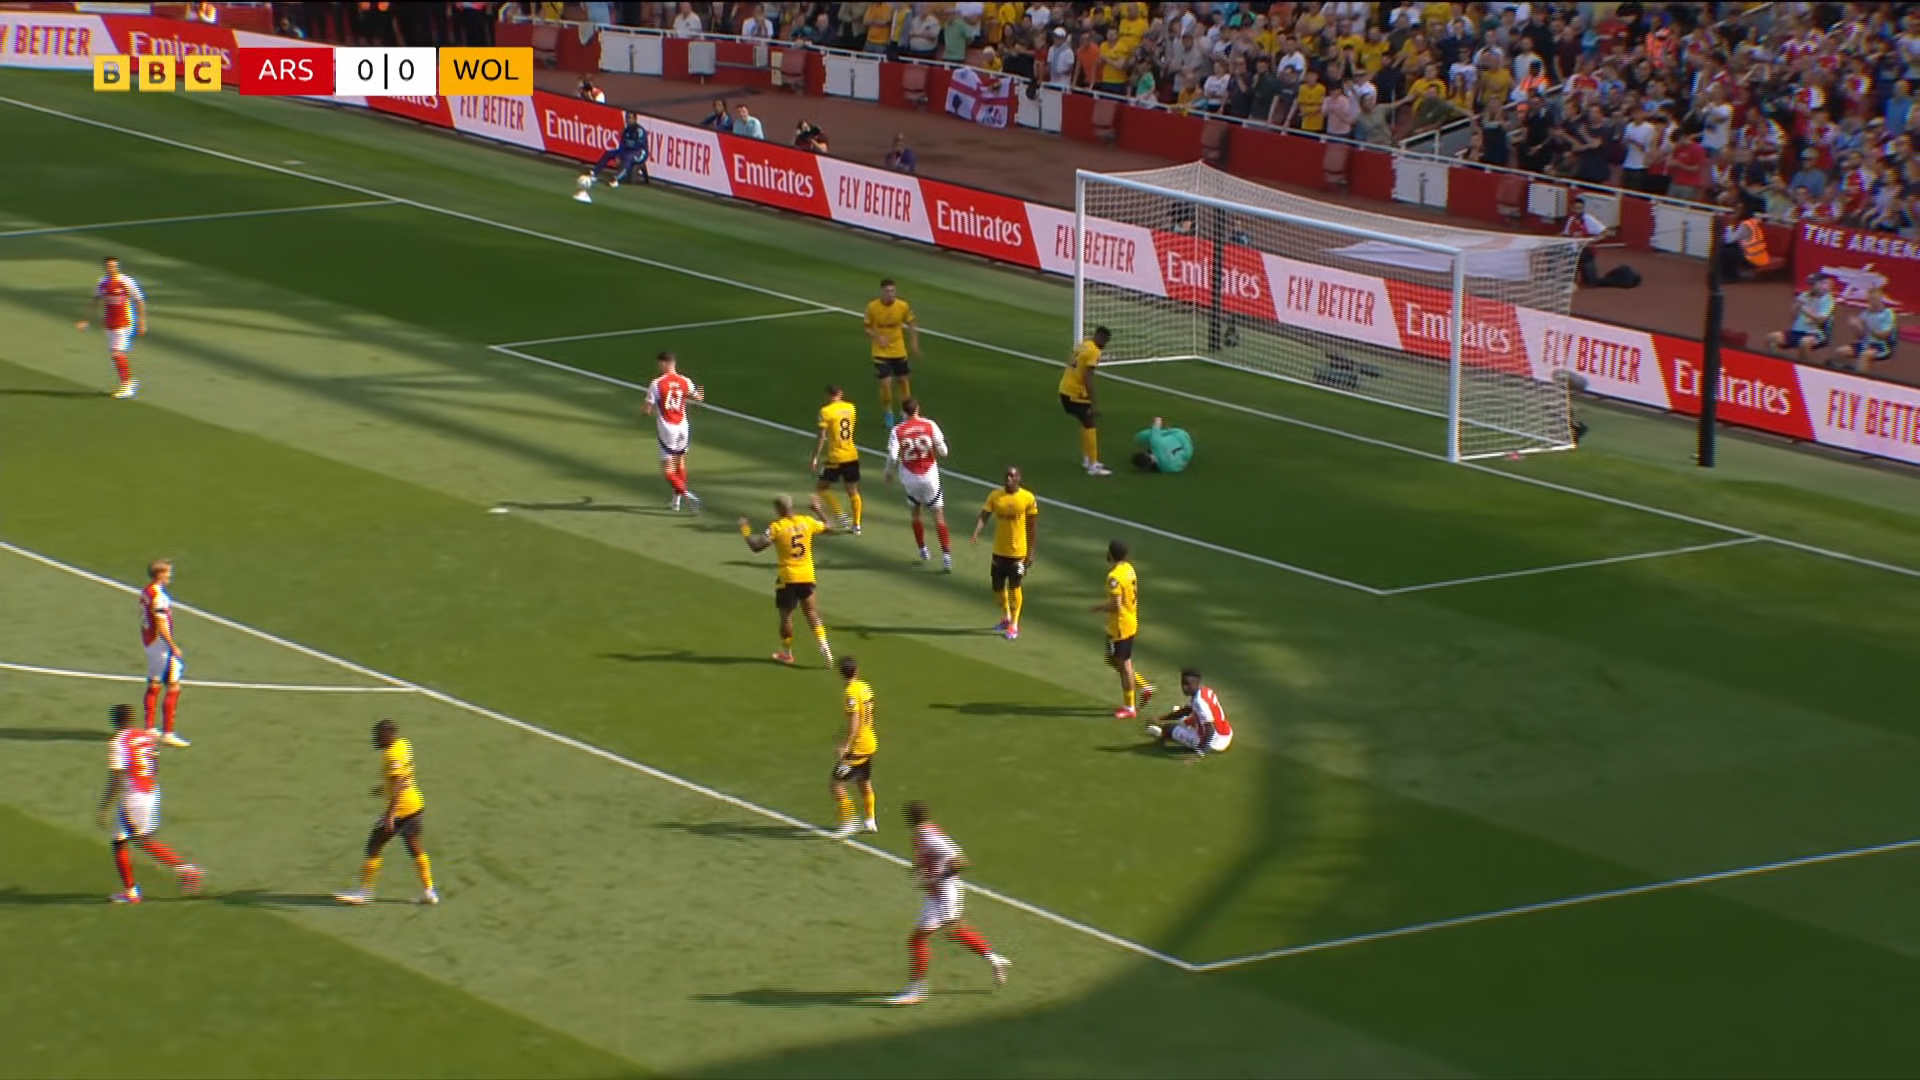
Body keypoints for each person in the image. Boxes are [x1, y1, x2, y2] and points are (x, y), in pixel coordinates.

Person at [887, 800, 1012, 1005]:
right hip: (937, 894)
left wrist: (935, 879)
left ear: (909, 818)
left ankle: (917, 990)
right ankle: (995, 960)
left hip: (944, 894)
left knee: (919, 939)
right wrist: (921, 870)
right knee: (953, 931)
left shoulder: (929, 837)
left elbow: (960, 861)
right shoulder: (925, 832)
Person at [98, 704, 204, 904]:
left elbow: (117, 777)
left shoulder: (118, 742)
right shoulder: (145, 737)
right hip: (150, 790)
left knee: (141, 840)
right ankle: (130, 891)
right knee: (120, 840)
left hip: (133, 796)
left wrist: (105, 806)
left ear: (114, 721)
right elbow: (154, 764)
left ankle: (186, 869)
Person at [334, 719, 439, 905]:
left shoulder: (392, 755)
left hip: (400, 809)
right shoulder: (404, 744)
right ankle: (429, 892)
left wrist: (390, 815)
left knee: (374, 846)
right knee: (414, 846)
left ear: (389, 735)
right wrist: (383, 788)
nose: (377, 739)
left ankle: (364, 893)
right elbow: (403, 776)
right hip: (415, 805)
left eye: (380, 736)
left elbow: (398, 783)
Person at [740, 494, 838, 665]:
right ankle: (825, 648)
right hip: (807, 575)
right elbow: (829, 527)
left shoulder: (777, 527)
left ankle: (787, 654)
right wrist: (817, 509)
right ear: (791, 506)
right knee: (812, 613)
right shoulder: (807, 521)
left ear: (779, 509)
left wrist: (745, 530)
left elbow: (756, 547)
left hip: (788, 578)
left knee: (786, 617)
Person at [884, 398, 952, 570]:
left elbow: (893, 456)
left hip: (910, 477)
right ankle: (946, 556)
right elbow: (944, 452)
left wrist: (889, 473)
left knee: (915, 513)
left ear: (903, 412)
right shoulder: (930, 425)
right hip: (930, 476)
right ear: (918, 409)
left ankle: (923, 550)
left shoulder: (897, 430)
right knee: (938, 515)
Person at [971, 467, 1038, 640]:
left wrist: (1031, 552)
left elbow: (1032, 527)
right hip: (999, 551)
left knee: (1015, 586)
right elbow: (984, 515)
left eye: (1012, 476)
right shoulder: (996, 496)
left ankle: (1014, 625)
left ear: (1018, 478)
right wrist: (977, 531)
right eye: (1007, 476)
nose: (1009, 479)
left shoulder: (1027, 498)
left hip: (1018, 553)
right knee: (997, 587)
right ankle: (1006, 617)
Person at [1091, 540, 1155, 720]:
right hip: (1129, 621)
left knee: (1123, 664)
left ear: (1110, 554)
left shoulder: (1114, 577)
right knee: (1113, 660)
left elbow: (1116, 606)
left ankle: (1130, 706)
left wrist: (1098, 608)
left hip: (1119, 626)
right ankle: (1143, 686)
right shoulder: (1129, 569)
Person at [75, 255, 145, 399]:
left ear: (117, 266)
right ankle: (128, 382)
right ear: (105, 267)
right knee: (116, 354)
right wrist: (85, 320)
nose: (112, 268)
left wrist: (141, 322)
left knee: (117, 354)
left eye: (114, 266)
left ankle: (127, 386)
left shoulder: (126, 281)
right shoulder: (102, 282)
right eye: (109, 266)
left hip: (124, 321)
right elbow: (95, 301)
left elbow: (139, 300)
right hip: (110, 322)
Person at [643, 351, 704, 512]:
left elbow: (646, 410)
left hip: (668, 429)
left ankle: (686, 494)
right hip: (683, 427)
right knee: (680, 462)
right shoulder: (686, 381)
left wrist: (646, 412)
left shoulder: (656, 383)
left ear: (664, 363)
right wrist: (699, 390)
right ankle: (676, 501)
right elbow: (698, 398)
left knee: (668, 469)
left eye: (659, 363)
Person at [139, 559, 189, 747]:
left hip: (150, 642)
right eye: (168, 572)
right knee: (173, 685)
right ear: (159, 574)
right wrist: (172, 645)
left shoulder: (147, 591)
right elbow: (161, 623)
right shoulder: (159, 596)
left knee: (155, 683)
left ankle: (150, 729)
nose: (170, 576)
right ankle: (168, 733)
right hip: (160, 645)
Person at [829, 655, 879, 838]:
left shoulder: (850, 693)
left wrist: (846, 745)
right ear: (856, 671)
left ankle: (849, 821)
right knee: (863, 781)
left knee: (835, 784)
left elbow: (855, 720)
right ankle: (870, 820)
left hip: (857, 747)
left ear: (840, 673)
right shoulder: (865, 687)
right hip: (870, 741)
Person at [863, 278, 920, 429]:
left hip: (899, 351)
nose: (890, 294)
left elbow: (912, 323)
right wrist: (877, 337)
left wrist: (914, 342)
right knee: (885, 383)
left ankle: (905, 413)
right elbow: (867, 328)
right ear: (881, 292)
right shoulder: (872, 307)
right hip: (880, 352)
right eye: (887, 291)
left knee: (903, 381)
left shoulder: (902, 306)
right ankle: (888, 412)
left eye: (893, 291)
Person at [1059, 326, 1112, 476]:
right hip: (1074, 393)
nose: (1105, 344)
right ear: (1101, 338)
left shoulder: (1084, 345)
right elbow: (1088, 379)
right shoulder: (1094, 351)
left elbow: (1070, 361)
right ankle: (1092, 466)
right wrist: (1094, 404)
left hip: (1065, 389)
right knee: (1090, 424)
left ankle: (1088, 459)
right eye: (1105, 340)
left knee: (1086, 423)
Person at [1145, 669, 1235, 757]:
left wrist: (1200, 753)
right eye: (1183, 683)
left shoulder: (1199, 702)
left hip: (1215, 744)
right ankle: (1184, 728)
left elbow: (1210, 730)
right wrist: (1160, 718)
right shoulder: (1206, 691)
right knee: (1187, 718)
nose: (1184, 687)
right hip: (1226, 733)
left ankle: (1162, 735)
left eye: (1187, 684)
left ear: (1196, 683)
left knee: (1168, 728)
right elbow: (1186, 711)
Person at [812, 385, 863, 534]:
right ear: (841, 393)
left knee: (821, 488)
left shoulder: (826, 411)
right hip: (851, 455)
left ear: (829, 395)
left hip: (835, 457)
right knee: (853, 491)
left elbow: (822, 436)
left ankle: (841, 516)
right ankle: (857, 524)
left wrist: (815, 457)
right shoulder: (851, 408)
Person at [1768, 273, 1837, 365]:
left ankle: (1803, 365)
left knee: (1804, 342)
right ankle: (1777, 364)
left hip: (1816, 334)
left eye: (1813, 284)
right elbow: (1793, 315)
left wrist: (1804, 310)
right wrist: (1797, 305)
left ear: (1821, 284)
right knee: (1772, 337)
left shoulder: (1829, 301)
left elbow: (1821, 320)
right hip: (1797, 331)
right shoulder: (1805, 294)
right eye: (1810, 284)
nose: (1811, 286)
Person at [576, 112, 648, 200]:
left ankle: (616, 179)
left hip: (640, 153)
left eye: (629, 118)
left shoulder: (639, 131)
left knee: (628, 158)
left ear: (635, 119)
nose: (627, 120)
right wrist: (618, 156)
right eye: (626, 118)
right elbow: (622, 145)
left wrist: (624, 154)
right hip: (627, 151)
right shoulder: (626, 131)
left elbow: (639, 145)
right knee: (609, 153)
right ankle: (594, 173)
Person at [1831, 287, 1899, 372]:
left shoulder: (1887, 314)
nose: (1872, 302)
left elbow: (1884, 335)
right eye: (1870, 299)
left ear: (1881, 299)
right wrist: (1856, 326)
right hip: (1865, 343)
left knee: (1865, 355)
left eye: (1874, 299)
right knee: (1840, 351)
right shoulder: (1866, 313)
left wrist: (1867, 326)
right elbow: (1860, 336)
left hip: (1880, 346)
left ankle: (1858, 377)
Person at [1562, 195, 1611, 286]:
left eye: (1580, 208)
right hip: (1573, 251)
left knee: (1592, 282)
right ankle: (1570, 279)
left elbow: (1606, 232)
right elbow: (1566, 234)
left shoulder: (1588, 219)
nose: (1578, 211)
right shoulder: (1571, 219)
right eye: (1576, 208)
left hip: (1586, 251)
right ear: (1572, 208)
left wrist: (1592, 241)